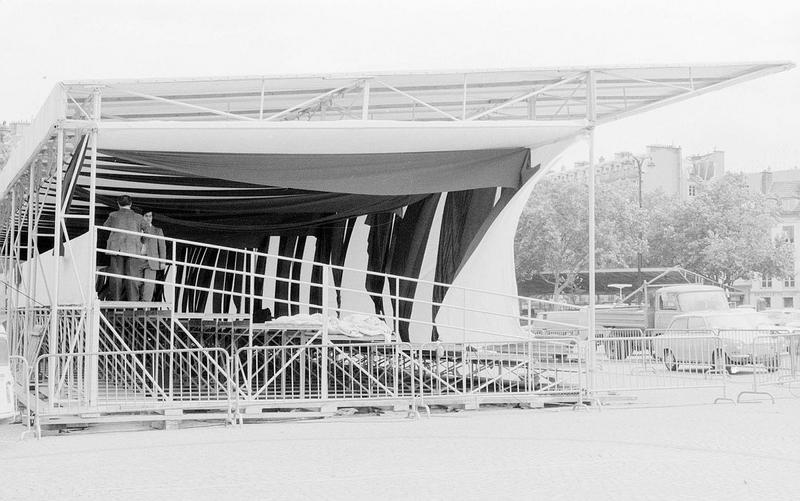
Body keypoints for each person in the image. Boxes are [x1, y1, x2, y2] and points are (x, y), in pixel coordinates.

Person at [103, 195, 146, 301]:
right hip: (133, 248)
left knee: (116, 276)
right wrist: (142, 242)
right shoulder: (138, 217)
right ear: (131, 204)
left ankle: (116, 301)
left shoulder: (113, 215)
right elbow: (148, 231)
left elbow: (105, 227)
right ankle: (133, 302)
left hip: (116, 248)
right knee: (132, 276)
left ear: (118, 204)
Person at [135, 211, 167, 302]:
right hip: (138, 259)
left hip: (151, 260)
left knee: (149, 283)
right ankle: (136, 302)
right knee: (135, 282)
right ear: (142, 217)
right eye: (146, 216)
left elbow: (162, 246)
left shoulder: (157, 230)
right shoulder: (136, 229)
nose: (149, 218)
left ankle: (146, 304)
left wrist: (163, 261)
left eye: (150, 216)